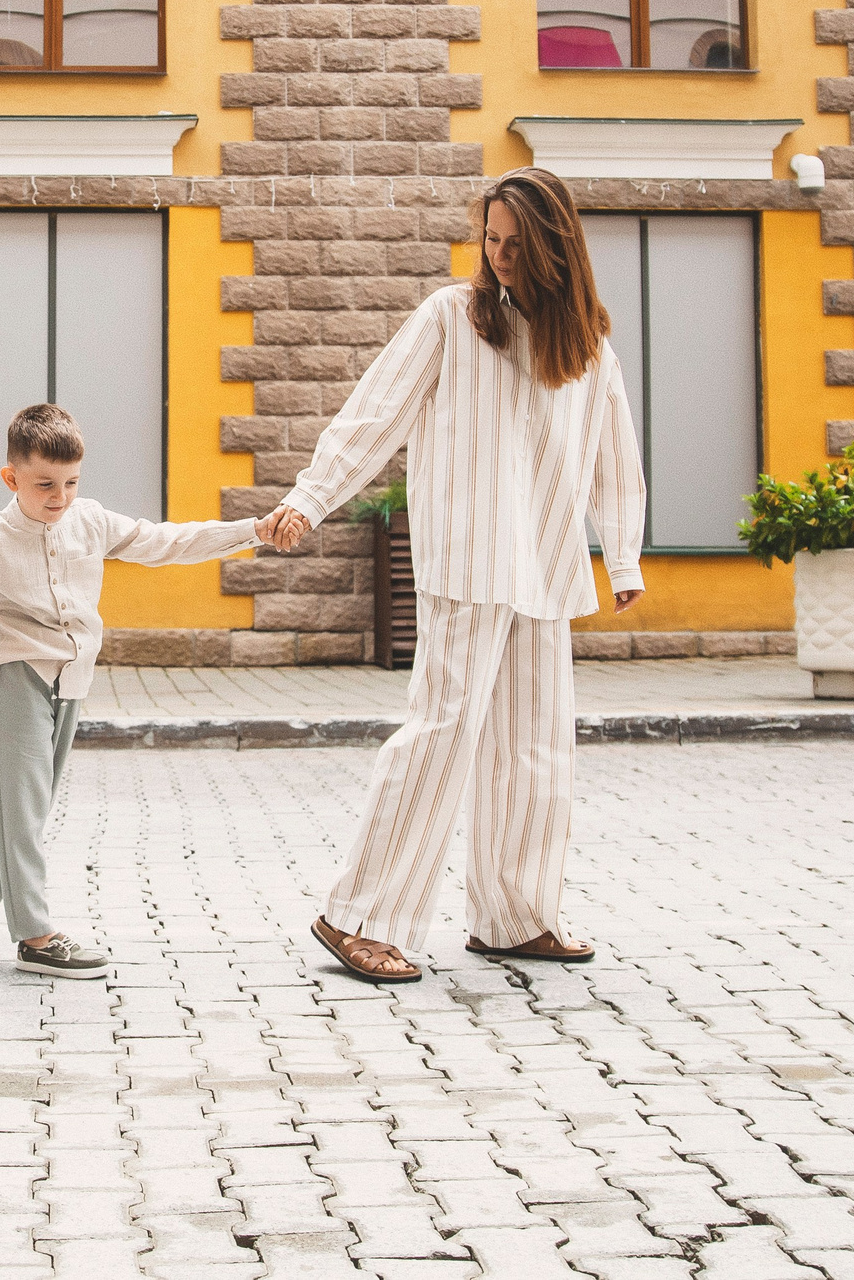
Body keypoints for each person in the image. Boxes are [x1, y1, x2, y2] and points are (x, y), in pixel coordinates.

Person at [257, 167, 646, 985]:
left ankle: (515, 915)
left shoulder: (587, 345)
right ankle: (357, 914)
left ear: (554, 247)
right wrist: (310, 497)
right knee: (441, 735)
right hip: (466, 560)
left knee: (536, 748)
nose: (500, 256)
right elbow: (375, 414)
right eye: (491, 240)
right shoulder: (450, 318)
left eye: (516, 243)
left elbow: (615, 453)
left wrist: (625, 554)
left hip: (544, 562)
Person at [0, 403, 261, 979]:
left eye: (70, 482)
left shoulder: (90, 521)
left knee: (24, 810)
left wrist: (254, 531)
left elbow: (166, 541)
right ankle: (35, 935)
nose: (59, 496)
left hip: (74, 680)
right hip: (20, 675)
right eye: (44, 484)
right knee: (23, 808)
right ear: (12, 479)